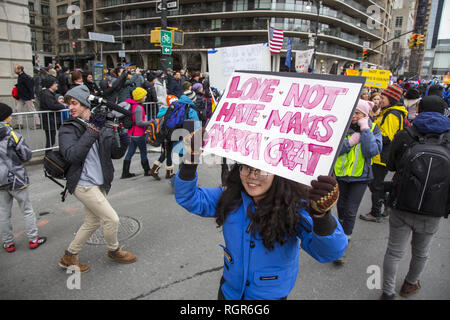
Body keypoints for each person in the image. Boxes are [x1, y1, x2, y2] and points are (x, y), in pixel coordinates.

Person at [174, 130, 348, 300]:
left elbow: (330, 251)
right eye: (246, 168)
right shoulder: (229, 196)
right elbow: (188, 197)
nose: (252, 176)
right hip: (229, 292)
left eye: (261, 170)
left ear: (279, 173)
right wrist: (190, 159)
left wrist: (322, 217)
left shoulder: (295, 207)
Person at [58, 85, 136, 273]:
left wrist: (124, 136)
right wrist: (94, 128)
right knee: (112, 219)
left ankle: (69, 256)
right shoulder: (68, 128)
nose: (71, 107)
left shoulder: (96, 124)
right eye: (69, 104)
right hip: (83, 184)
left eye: (74, 103)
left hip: (99, 182)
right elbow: (73, 156)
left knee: (92, 222)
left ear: (86, 104)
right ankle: (114, 250)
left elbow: (114, 154)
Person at [380, 96, 450, 300]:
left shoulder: (406, 133)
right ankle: (410, 285)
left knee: (394, 251)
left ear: (419, 109)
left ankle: (388, 292)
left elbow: (390, 165)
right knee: (421, 251)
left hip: (402, 202)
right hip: (434, 207)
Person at [333, 100, 382, 264]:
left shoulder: (373, 128)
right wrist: (349, 142)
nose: (354, 116)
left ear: (365, 114)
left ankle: (343, 242)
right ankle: (342, 232)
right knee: (340, 207)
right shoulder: (342, 126)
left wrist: (365, 130)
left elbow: (372, 151)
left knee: (350, 210)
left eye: (358, 113)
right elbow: (333, 150)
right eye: (352, 112)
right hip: (341, 176)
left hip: (361, 178)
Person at [0, 103, 47, 253]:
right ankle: (33, 239)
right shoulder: (12, 134)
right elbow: (26, 155)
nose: (11, 115)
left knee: (3, 213)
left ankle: (8, 243)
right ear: (5, 117)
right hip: (16, 178)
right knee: (26, 210)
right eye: (9, 113)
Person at [360, 84, 407, 223]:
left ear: (391, 98)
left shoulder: (392, 114)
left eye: (383, 97)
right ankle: (387, 202)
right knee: (374, 183)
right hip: (379, 155)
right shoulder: (387, 111)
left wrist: (370, 134)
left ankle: (376, 213)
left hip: (383, 156)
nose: (380, 99)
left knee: (376, 184)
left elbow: (388, 137)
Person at [149, 93, 200, 180]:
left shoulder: (173, 106)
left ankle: (167, 171)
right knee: (177, 155)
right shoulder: (190, 110)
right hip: (181, 135)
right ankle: (178, 177)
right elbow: (196, 127)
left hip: (168, 132)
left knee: (168, 151)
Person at [121, 87, 152, 179]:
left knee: (130, 152)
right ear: (140, 97)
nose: (145, 97)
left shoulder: (133, 105)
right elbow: (139, 122)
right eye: (144, 96)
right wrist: (151, 122)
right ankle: (147, 170)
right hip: (138, 133)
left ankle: (125, 172)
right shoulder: (138, 107)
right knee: (143, 152)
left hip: (131, 133)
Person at [39, 77, 66, 153]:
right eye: (55, 83)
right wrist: (62, 106)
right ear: (50, 84)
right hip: (49, 120)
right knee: (51, 140)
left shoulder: (49, 93)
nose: (56, 85)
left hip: (51, 120)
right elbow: (52, 105)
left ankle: (48, 155)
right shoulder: (47, 94)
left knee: (51, 139)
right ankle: (48, 156)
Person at [13, 64, 41, 129]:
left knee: (32, 110)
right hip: (21, 97)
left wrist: (32, 97)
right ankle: (19, 124)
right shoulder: (20, 76)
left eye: (15, 69)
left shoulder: (26, 77)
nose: (14, 70)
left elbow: (30, 88)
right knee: (18, 109)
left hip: (27, 97)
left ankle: (38, 124)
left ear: (20, 69)